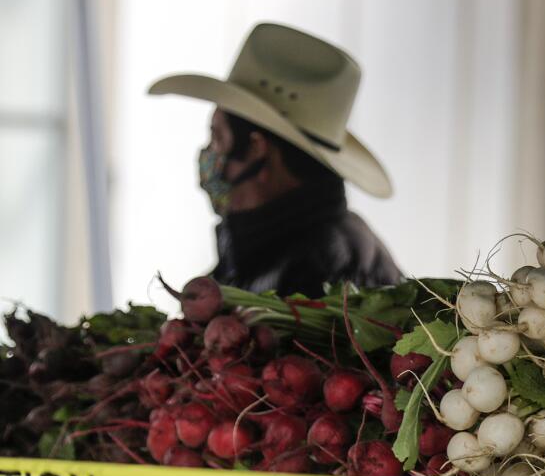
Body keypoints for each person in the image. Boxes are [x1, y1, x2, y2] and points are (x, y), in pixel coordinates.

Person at [148, 22, 402, 297]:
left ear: (257, 149)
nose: (208, 153)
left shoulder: (320, 269)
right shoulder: (273, 244)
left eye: (217, 137)